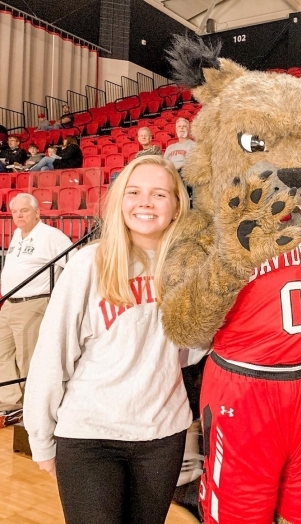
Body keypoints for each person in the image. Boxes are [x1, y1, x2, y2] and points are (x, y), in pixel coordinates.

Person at [23, 155, 195, 524]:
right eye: (134, 191)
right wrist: (40, 436)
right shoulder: (90, 263)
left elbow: (191, 351)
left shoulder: (188, 269)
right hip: (90, 437)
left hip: (161, 436)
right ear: (120, 200)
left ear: (177, 206)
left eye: (159, 194)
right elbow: (53, 354)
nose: (145, 202)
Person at [0, 194, 73, 408]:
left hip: (32, 303)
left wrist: (58, 297)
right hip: (9, 303)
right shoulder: (16, 234)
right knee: (2, 353)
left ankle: (33, 407)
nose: (19, 215)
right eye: (14, 212)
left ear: (37, 212)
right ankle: (9, 403)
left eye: (24, 210)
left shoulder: (51, 236)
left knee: (27, 357)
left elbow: (74, 264)